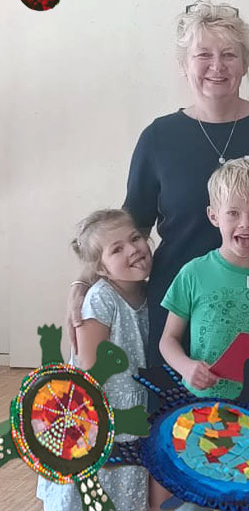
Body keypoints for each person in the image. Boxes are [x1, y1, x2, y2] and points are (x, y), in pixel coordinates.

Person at [66, 0, 249, 435]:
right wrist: (83, 285)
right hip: (181, 320)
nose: (216, 66)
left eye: (229, 54)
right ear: (184, 65)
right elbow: (127, 231)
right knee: (182, 442)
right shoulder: (158, 138)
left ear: (245, 63)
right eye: (203, 54)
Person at [160, 159, 249, 413]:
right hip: (199, 408)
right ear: (214, 216)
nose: (245, 223)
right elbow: (168, 339)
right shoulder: (193, 273)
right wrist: (186, 367)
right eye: (233, 213)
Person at [38, 209, 151, 511]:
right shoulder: (102, 298)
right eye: (117, 249)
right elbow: (88, 371)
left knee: (125, 490)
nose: (133, 249)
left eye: (135, 238)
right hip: (100, 413)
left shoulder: (150, 292)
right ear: (101, 268)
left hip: (134, 409)